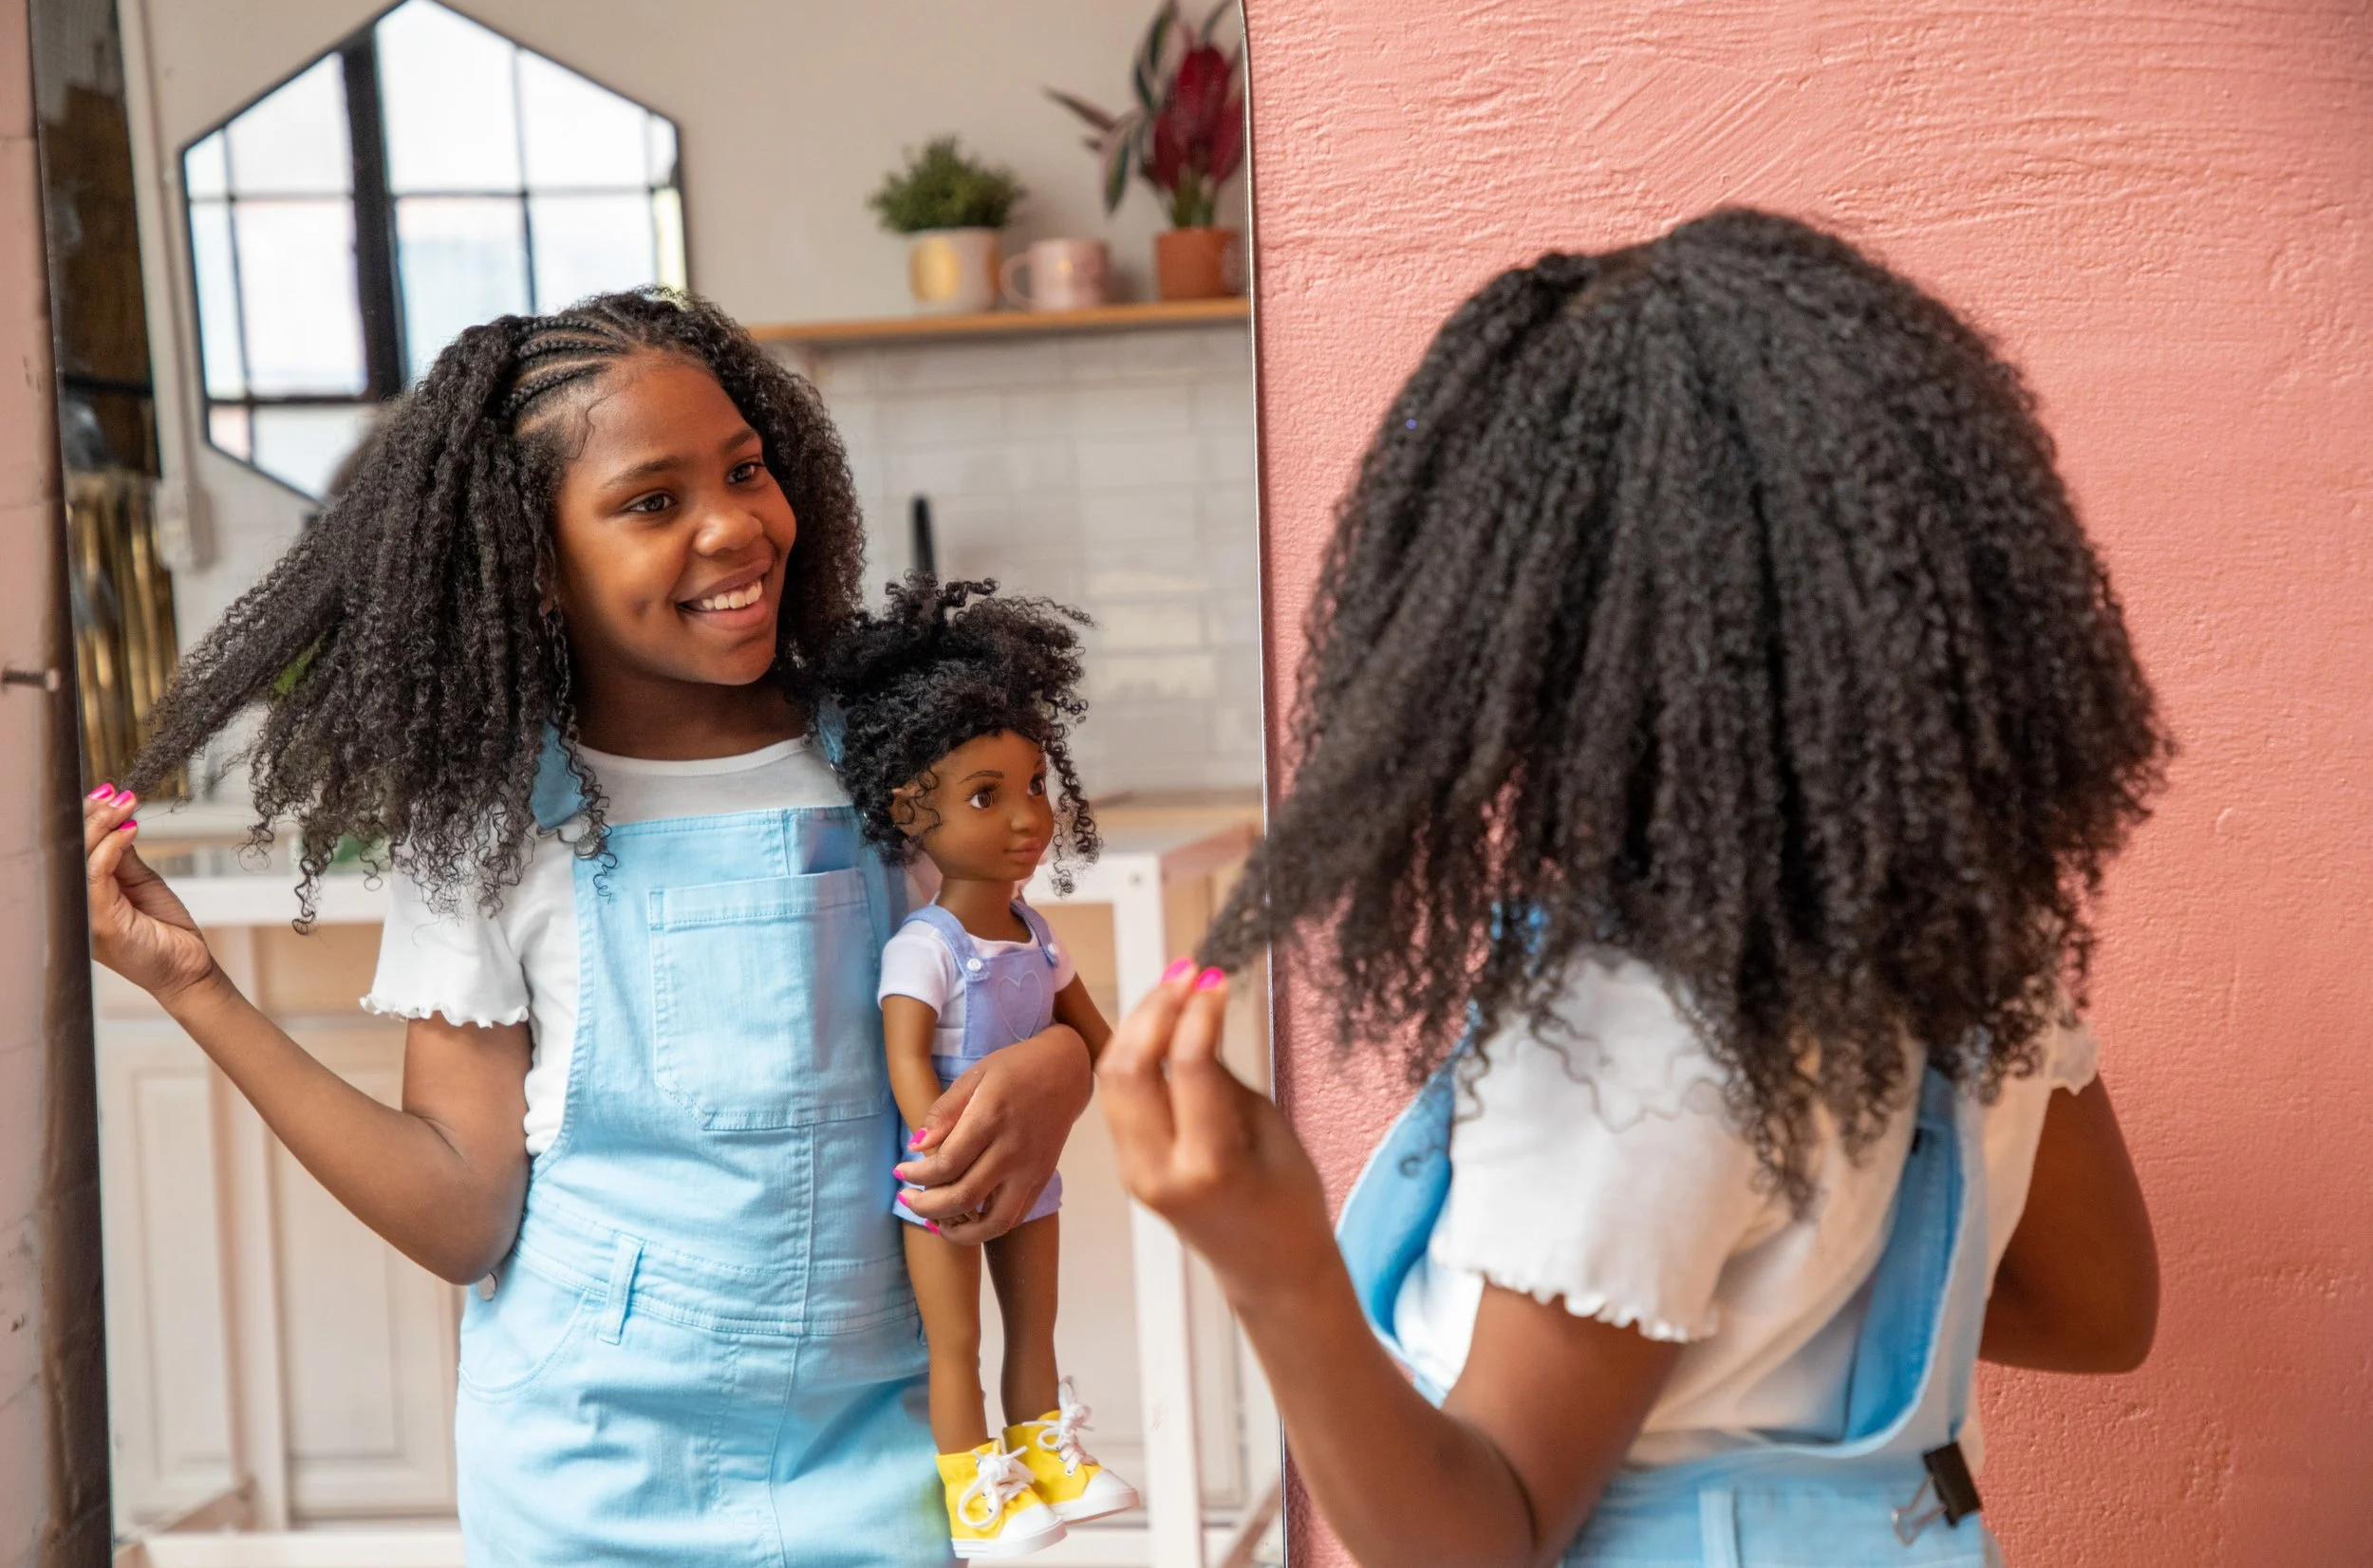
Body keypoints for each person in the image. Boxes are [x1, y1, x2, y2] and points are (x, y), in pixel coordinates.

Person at [1096, 210, 2166, 1567]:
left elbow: (1468, 1542)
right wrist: (1744, 1288)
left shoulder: (1633, 1030)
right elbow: (2095, 1308)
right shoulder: (1972, 932)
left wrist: (1271, 1258)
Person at [81, 289, 1093, 1566]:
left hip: (885, 1438)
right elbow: (465, 1213)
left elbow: (1019, 992)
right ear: (535, 566)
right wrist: (198, 990)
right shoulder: (492, 824)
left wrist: (1060, 1069)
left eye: (745, 468)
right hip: (592, 1472)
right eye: (652, 501)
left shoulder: (888, 756)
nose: (735, 525)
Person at [823, 575, 1140, 1559]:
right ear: (910, 807)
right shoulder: (927, 943)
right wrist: (942, 1156)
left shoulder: (1038, 932)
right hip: (945, 1181)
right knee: (954, 1338)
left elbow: (1093, 1035)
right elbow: (905, 1055)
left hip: (1029, 1171)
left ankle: (1044, 1450)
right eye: (985, 795)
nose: (1026, 819)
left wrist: (1140, 1072)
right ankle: (975, 1486)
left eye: (1036, 786)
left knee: (1034, 1324)